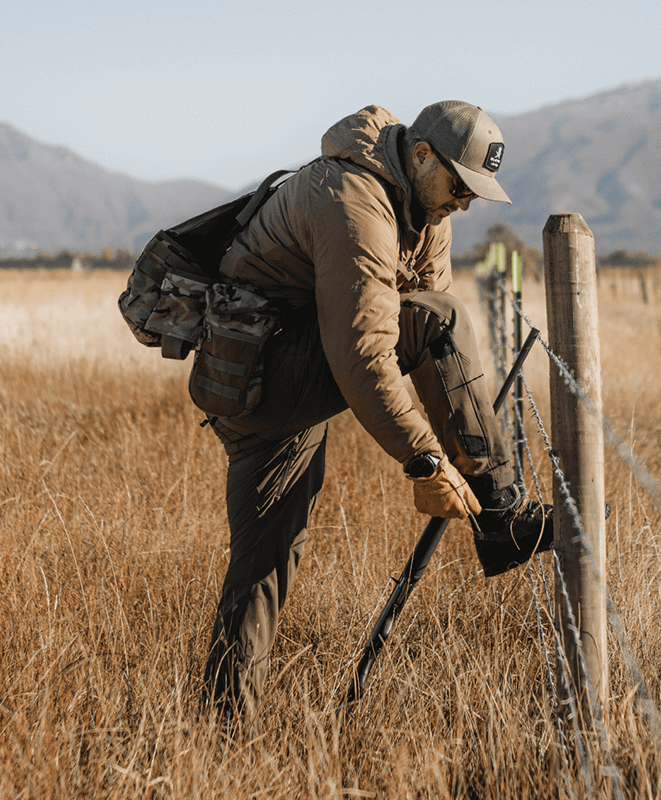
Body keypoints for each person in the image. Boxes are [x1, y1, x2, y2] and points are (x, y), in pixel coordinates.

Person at [201, 101, 553, 729]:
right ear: (421, 156)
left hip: (281, 368)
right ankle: (502, 517)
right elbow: (369, 352)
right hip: (263, 377)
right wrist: (424, 457)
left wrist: (448, 444)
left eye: (475, 193)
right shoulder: (353, 198)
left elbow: (423, 324)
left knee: (265, 563)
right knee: (442, 319)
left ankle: (226, 731)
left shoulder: (425, 204)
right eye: (460, 186)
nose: (466, 204)